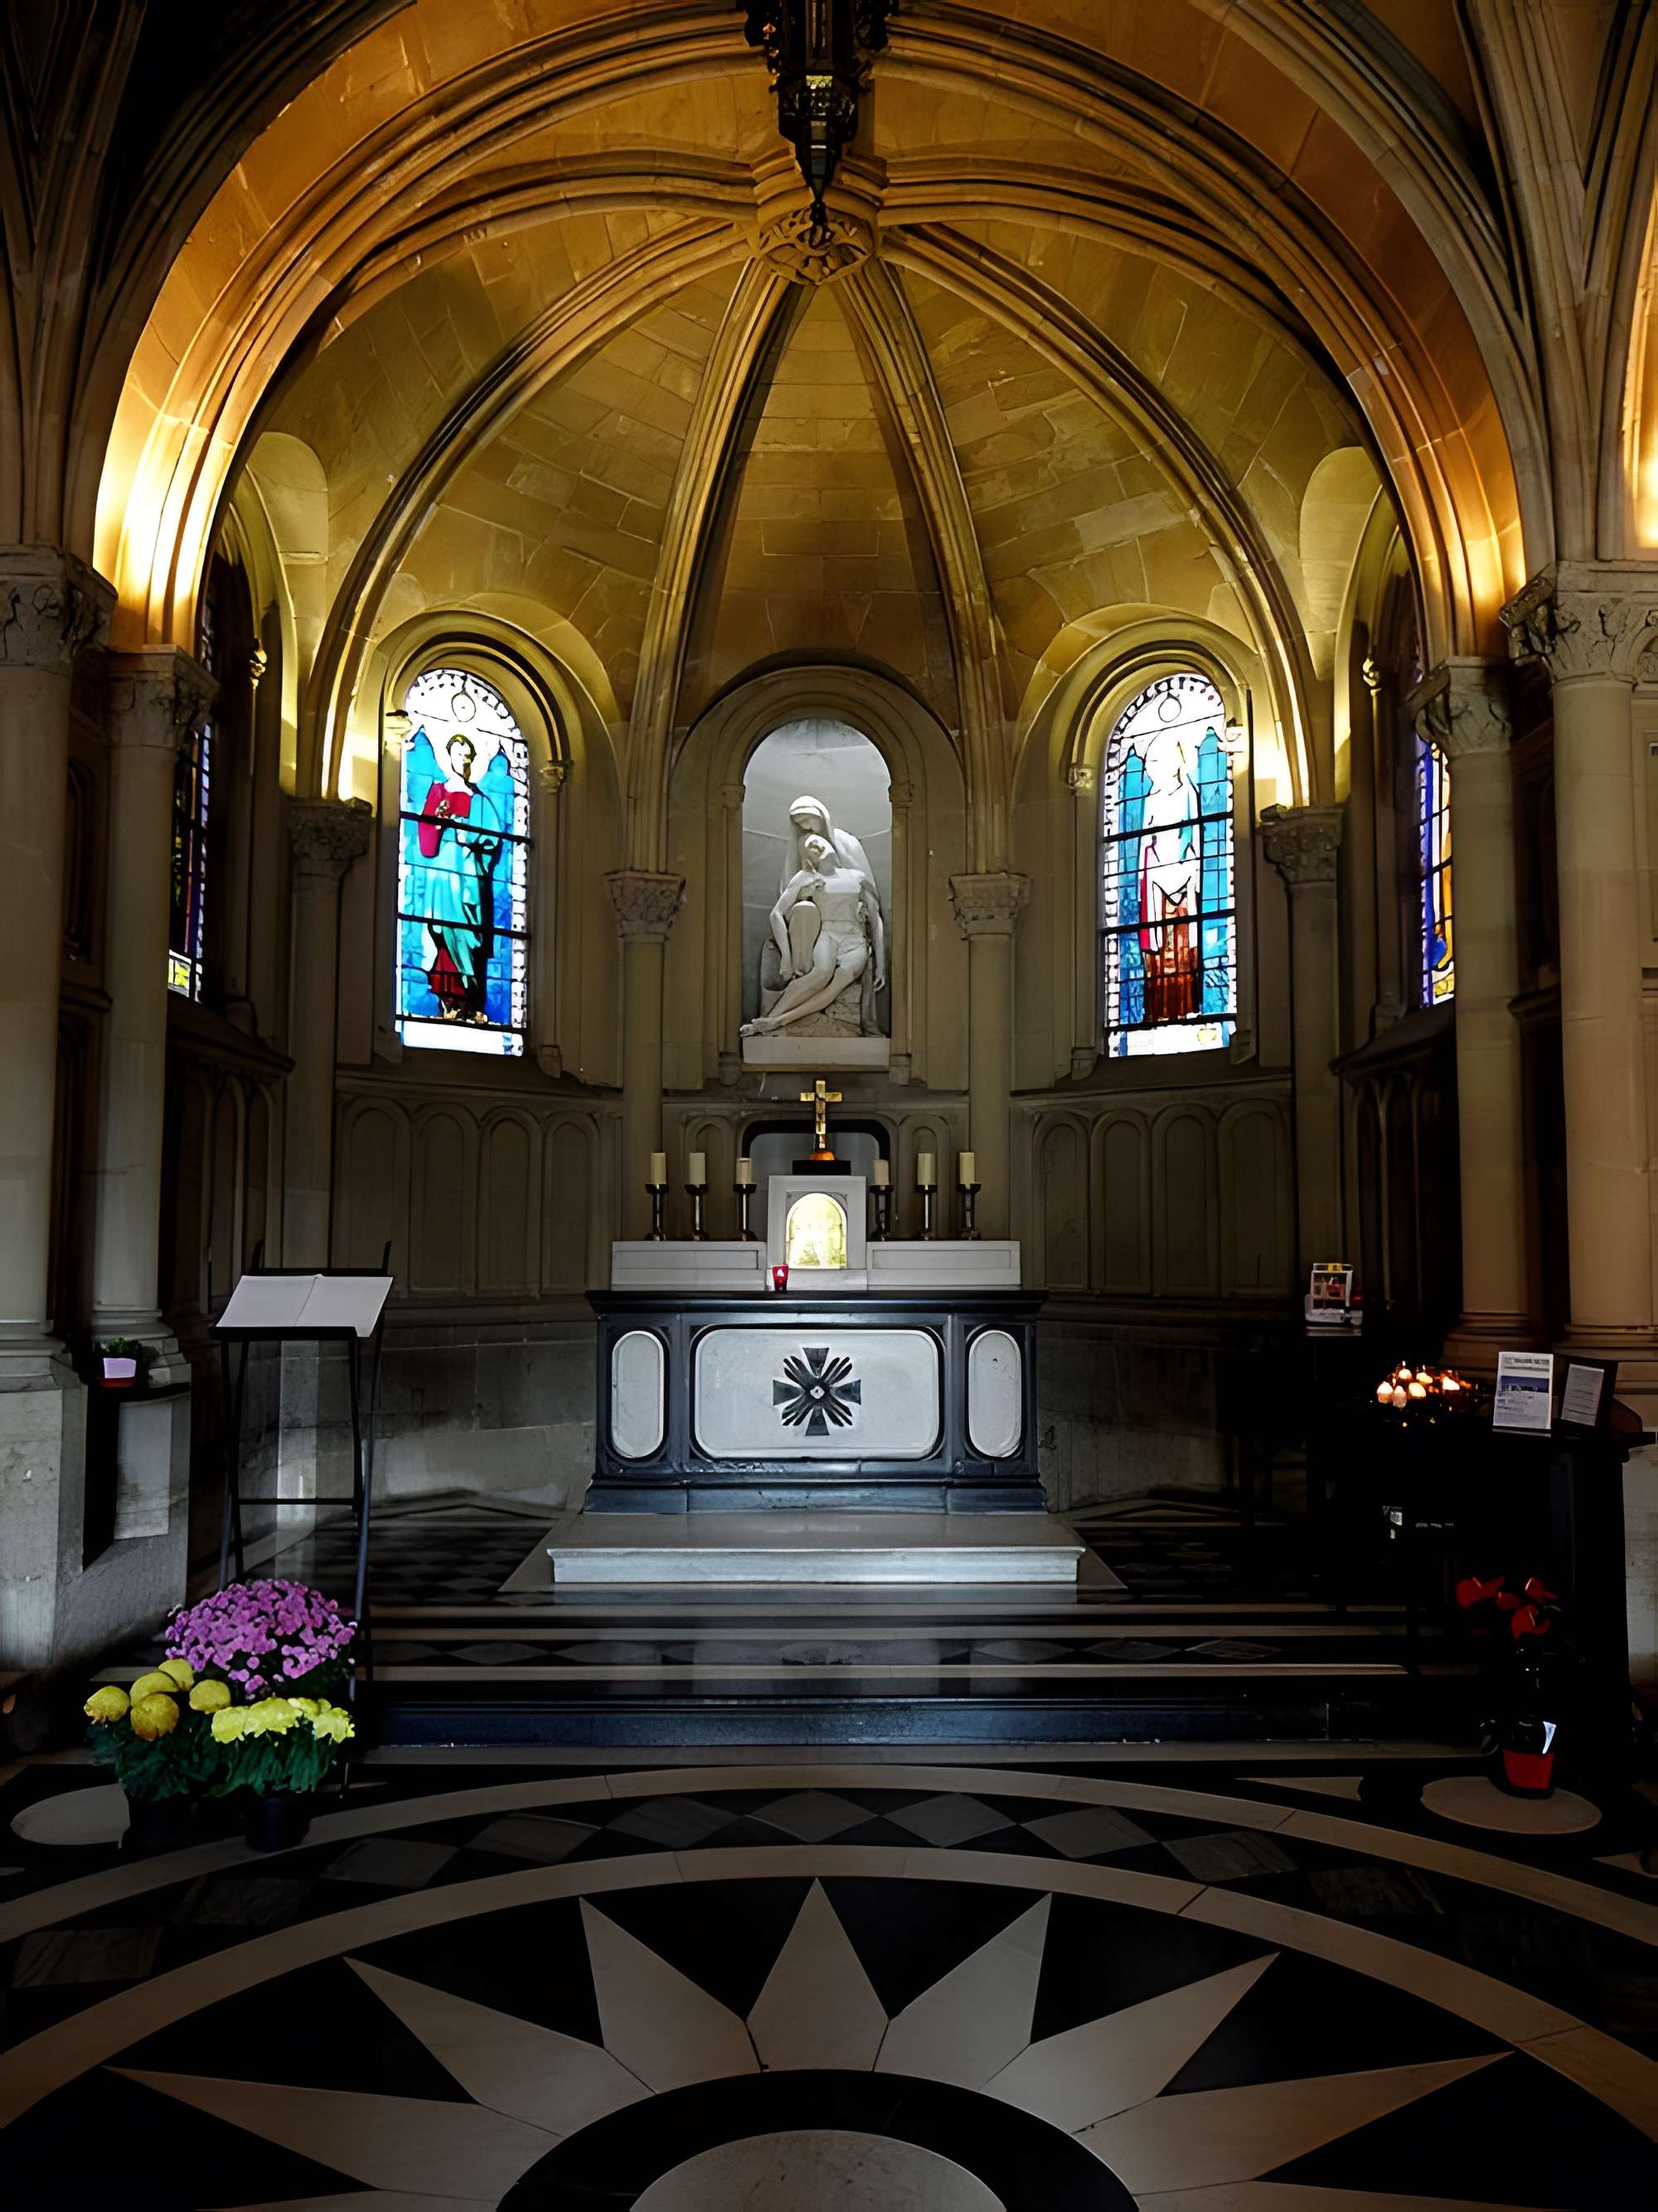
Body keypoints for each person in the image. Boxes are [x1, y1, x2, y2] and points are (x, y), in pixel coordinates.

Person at [743, 832, 875, 1035]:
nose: (814, 845)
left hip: (855, 940)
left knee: (835, 985)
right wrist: (787, 957)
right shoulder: (808, 876)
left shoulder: (857, 876)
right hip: (828, 933)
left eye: (817, 841)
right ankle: (766, 1021)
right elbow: (776, 913)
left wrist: (881, 962)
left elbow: (876, 920)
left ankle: (777, 1021)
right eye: (808, 847)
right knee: (821, 973)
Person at [414, 733, 503, 1021]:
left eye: (466, 756)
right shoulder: (438, 792)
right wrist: (441, 825)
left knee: (468, 937)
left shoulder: (480, 801)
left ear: (471, 762)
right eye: (456, 754)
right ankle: (448, 1002)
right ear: (448, 757)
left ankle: (471, 1003)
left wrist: (468, 834)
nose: (461, 760)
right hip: (442, 877)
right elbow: (425, 839)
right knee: (443, 932)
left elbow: (492, 839)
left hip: (468, 878)